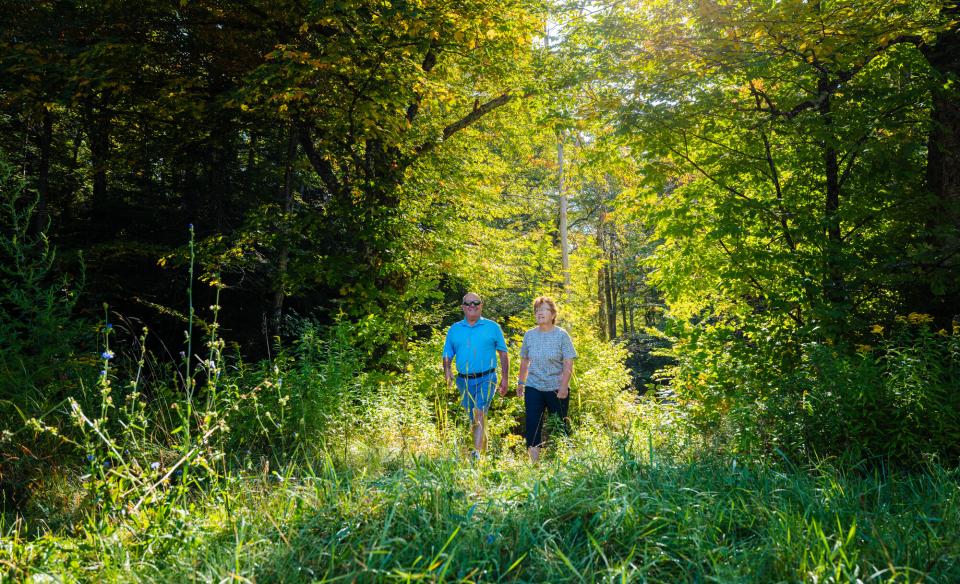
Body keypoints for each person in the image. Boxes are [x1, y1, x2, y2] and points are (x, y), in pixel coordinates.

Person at [442, 292, 509, 459]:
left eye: (476, 302)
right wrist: (447, 369)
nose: (472, 306)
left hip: (487, 377)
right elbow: (447, 352)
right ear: (463, 307)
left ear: (481, 305)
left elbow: (503, 353)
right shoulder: (455, 329)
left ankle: (477, 454)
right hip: (463, 380)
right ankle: (482, 453)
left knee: (479, 412)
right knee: (475, 418)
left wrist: (505, 379)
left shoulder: (492, 327)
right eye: (468, 303)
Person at [516, 296, 577, 463]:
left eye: (543, 309)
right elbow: (524, 360)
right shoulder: (529, 335)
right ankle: (534, 465)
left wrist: (564, 386)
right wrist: (521, 382)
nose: (539, 313)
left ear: (553, 314)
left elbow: (568, 361)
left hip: (556, 387)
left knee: (559, 425)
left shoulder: (561, 335)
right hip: (533, 386)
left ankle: (562, 461)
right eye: (537, 310)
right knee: (532, 425)